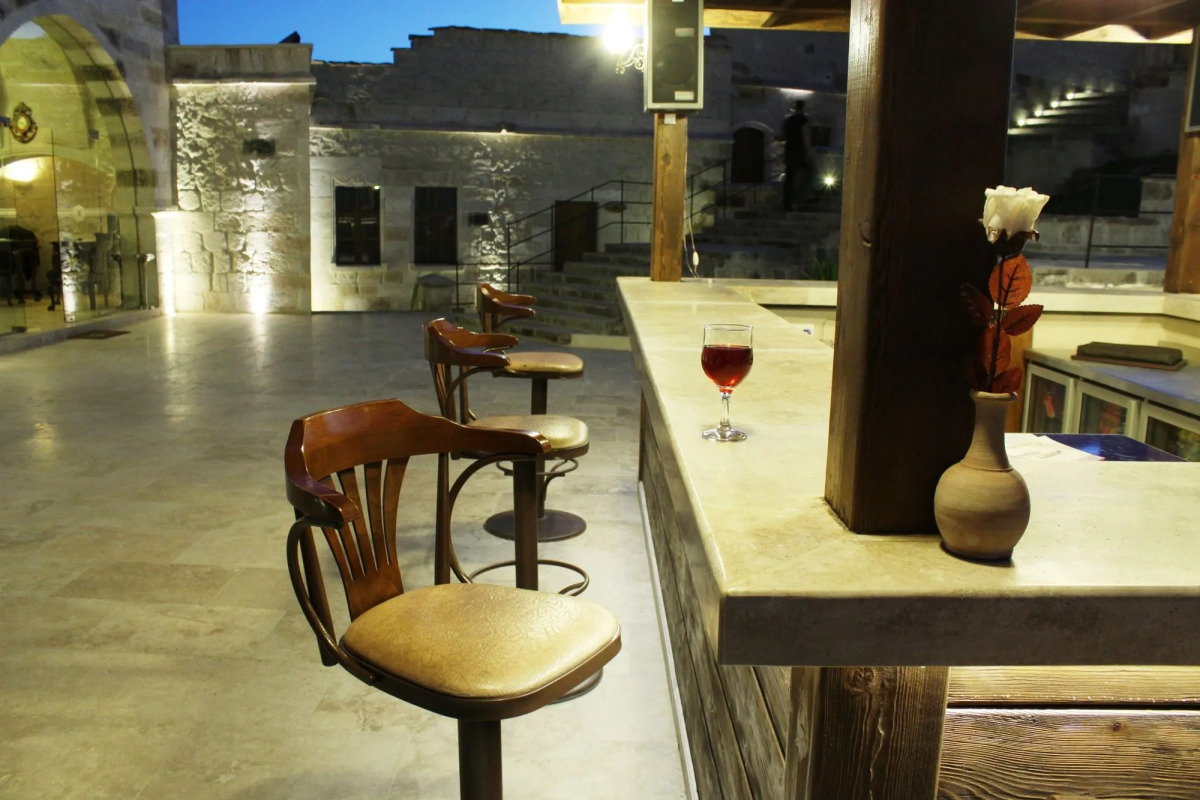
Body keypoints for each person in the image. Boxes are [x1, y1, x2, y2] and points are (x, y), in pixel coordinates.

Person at [781, 100, 814, 212]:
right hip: (799, 150)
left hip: (789, 149)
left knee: (789, 176)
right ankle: (804, 198)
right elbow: (806, 136)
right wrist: (808, 151)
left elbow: (784, 136)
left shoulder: (788, 120)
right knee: (807, 172)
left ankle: (787, 202)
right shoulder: (803, 120)